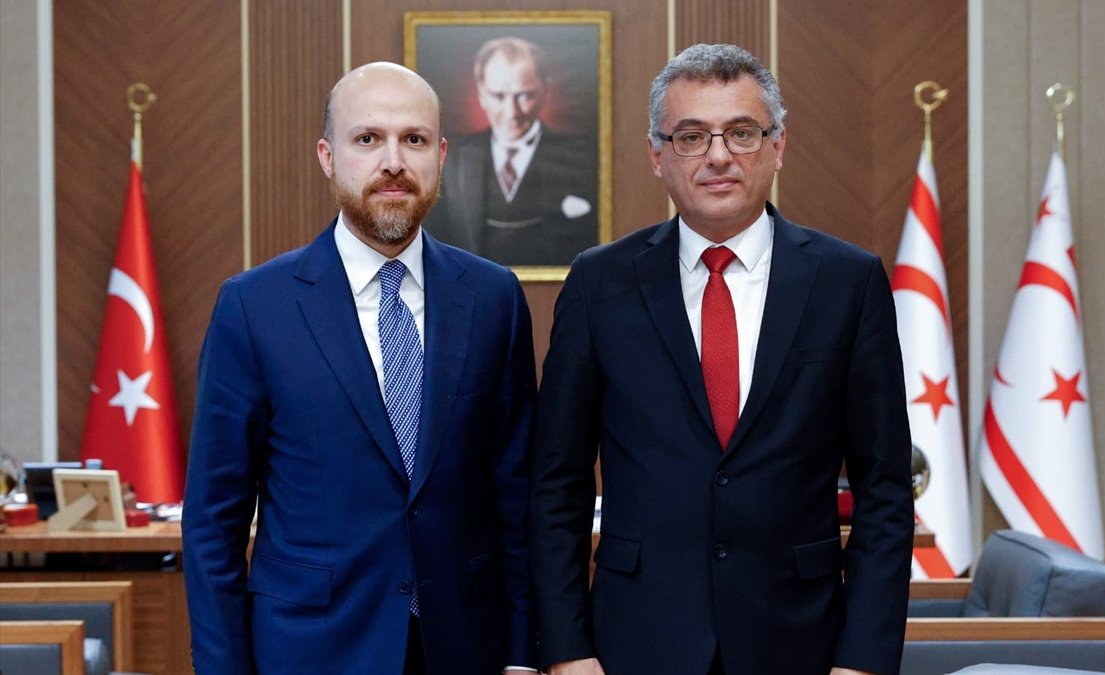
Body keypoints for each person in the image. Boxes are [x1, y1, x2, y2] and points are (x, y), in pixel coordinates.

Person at [530, 44, 914, 675]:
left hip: (800, 642)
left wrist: (864, 662)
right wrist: (568, 651)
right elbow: (556, 484)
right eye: (690, 137)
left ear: (777, 145)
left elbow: (885, 491)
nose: (717, 155)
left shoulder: (848, 282)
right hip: (634, 643)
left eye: (741, 132)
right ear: (657, 156)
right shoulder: (600, 283)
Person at [183, 62, 538, 675]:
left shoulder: (493, 298)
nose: (393, 162)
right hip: (311, 650)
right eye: (368, 138)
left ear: (440, 156)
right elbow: (214, 520)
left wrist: (524, 653)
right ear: (328, 157)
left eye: (414, 139)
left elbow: (518, 495)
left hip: (466, 647)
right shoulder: (254, 306)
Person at [424, 37, 598, 266]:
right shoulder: (453, 161)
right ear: (482, 95)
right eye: (498, 96)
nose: (512, 112)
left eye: (524, 95)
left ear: (545, 91)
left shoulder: (584, 160)